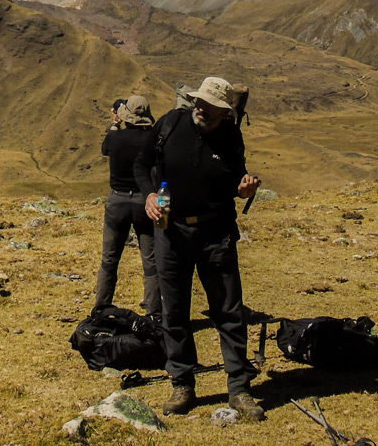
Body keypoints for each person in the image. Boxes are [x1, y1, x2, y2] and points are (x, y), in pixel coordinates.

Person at [134, 77, 264, 421]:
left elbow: (236, 179)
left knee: (228, 310)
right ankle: (182, 383)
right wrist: (149, 194)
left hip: (215, 232)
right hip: (169, 230)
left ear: (225, 113)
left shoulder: (230, 136)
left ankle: (239, 387)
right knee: (174, 311)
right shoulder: (171, 123)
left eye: (210, 107)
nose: (201, 109)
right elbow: (140, 164)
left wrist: (245, 188)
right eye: (199, 102)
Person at [94, 95, 161, 318]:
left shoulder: (116, 138)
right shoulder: (153, 141)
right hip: (145, 202)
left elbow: (105, 149)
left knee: (109, 259)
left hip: (117, 201)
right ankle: (153, 313)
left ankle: (101, 308)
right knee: (150, 261)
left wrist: (115, 123)